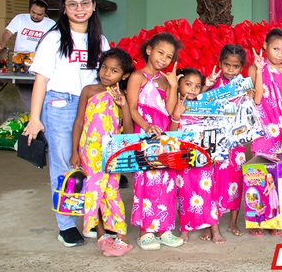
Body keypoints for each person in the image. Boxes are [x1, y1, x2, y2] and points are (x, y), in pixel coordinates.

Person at [23, 0, 110, 247]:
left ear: (93, 6)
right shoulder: (54, 38)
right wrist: (35, 118)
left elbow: (106, 77)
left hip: (93, 107)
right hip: (60, 105)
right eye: (72, 4)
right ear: (64, 9)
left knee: (91, 163)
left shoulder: (100, 40)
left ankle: (90, 219)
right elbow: (41, 80)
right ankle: (66, 225)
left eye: (85, 3)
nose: (79, 9)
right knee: (64, 165)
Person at [69, 48, 134, 256]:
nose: (107, 73)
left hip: (110, 155)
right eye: (104, 67)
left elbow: (129, 131)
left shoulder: (121, 96)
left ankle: (122, 237)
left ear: (123, 75)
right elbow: (79, 122)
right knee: (93, 192)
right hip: (89, 153)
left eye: (114, 70)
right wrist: (74, 151)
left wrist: (123, 106)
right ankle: (101, 234)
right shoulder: (89, 90)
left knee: (111, 193)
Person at [126, 32, 185, 251]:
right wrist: (146, 126)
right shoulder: (137, 77)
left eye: (169, 56)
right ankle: (145, 232)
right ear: (149, 50)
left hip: (165, 137)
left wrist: (172, 86)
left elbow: (170, 111)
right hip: (145, 136)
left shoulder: (165, 79)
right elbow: (132, 109)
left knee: (167, 182)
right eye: (160, 52)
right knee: (147, 182)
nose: (164, 59)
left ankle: (165, 229)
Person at [248, 28, 282, 236]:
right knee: (259, 171)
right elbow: (256, 98)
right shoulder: (253, 68)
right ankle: (258, 219)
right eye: (275, 48)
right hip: (260, 127)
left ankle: (275, 220)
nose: (279, 54)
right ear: (265, 46)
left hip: (279, 126)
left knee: (278, 173)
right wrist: (259, 70)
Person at [170, 67, 221, 243]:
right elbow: (171, 133)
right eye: (188, 84)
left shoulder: (200, 103)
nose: (193, 89)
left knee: (208, 192)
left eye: (197, 86)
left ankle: (214, 228)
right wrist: (176, 116)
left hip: (204, 156)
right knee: (184, 193)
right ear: (178, 84)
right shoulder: (174, 103)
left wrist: (206, 86)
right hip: (183, 159)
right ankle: (185, 229)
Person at [205, 44, 248, 240]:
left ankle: (232, 223)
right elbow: (201, 101)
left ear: (241, 67)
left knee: (235, 182)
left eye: (235, 66)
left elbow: (253, 103)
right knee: (213, 181)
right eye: (227, 65)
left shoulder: (243, 85)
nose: (230, 70)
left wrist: (248, 94)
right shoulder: (215, 83)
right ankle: (210, 224)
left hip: (236, 142)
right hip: (216, 139)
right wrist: (207, 85)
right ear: (220, 63)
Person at [0, 0, 55, 111]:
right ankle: (31, 119)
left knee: (42, 95)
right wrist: (1, 43)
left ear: (45, 14)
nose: (35, 16)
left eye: (39, 14)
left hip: (40, 64)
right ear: (30, 9)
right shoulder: (20, 18)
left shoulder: (50, 24)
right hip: (20, 63)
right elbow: (8, 32)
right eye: (33, 12)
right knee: (26, 97)